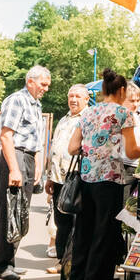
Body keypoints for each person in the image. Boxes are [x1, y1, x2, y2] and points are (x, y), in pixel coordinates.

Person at [63, 69, 140, 280]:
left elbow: (72, 147)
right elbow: (131, 152)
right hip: (110, 181)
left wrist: (93, 151)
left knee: (83, 237)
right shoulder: (123, 114)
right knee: (104, 238)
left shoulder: (88, 113)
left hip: (86, 180)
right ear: (121, 91)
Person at [0, 65, 51, 280]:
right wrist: (14, 168)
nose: (46, 89)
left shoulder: (35, 104)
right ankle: (1, 265)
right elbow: (6, 136)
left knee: (20, 213)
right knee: (11, 213)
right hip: (15, 157)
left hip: (26, 158)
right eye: (43, 84)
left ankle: (7, 262)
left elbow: (36, 140)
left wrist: (38, 164)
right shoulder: (17, 99)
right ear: (30, 81)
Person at [43, 83, 88, 264]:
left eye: (78, 96)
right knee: (62, 223)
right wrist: (49, 178)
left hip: (78, 180)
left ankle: (73, 263)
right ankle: (62, 262)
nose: (73, 100)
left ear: (86, 99)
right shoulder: (64, 119)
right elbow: (54, 149)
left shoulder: (88, 118)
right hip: (59, 179)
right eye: (71, 96)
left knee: (77, 224)